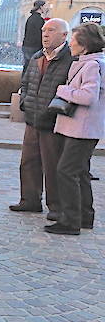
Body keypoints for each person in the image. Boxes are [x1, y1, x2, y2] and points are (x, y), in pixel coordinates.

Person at [9, 18, 73, 219]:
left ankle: (56, 206)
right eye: (44, 30)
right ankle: (29, 200)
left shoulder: (70, 59)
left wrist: (56, 110)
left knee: (52, 164)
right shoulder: (37, 56)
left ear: (64, 35)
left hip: (53, 121)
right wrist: (24, 102)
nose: (45, 34)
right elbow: (26, 82)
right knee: (28, 161)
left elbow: (71, 88)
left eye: (51, 30)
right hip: (32, 118)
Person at [45, 23, 105, 235]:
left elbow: (87, 96)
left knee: (66, 171)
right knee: (80, 172)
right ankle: (85, 216)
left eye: (74, 39)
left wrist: (63, 89)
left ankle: (70, 221)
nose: (70, 42)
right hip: (81, 128)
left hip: (83, 128)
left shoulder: (92, 65)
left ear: (85, 44)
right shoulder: (88, 62)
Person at [21, 0, 47, 68]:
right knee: (33, 68)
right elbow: (40, 35)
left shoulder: (30, 18)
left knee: (27, 66)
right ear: (41, 7)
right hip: (35, 47)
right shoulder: (39, 20)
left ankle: (24, 78)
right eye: (45, 6)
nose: (46, 8)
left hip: (26, 45)